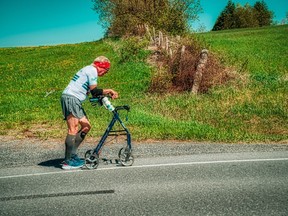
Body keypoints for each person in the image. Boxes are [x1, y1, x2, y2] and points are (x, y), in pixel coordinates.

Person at [60, 56, 118, 170]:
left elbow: (93, 93)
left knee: (86, 126)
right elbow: (95, 92)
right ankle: (68, 161)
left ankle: (72, 155)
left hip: (74, 99)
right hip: (72, 98)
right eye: (106, 71)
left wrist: (104, 95)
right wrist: (110, 90)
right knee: (73, 129)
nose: (106, 73)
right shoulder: (92, 70)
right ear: (101, 67)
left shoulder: (89, 69)